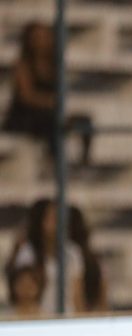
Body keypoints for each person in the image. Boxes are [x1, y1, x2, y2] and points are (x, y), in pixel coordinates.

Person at [2, 22, 92, 166]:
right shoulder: (22, 65)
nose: (42, 41)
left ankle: (85, 161)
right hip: (24, 118)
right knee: (51, 123)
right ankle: (54, 162)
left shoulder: (53, 66)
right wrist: (50, 101)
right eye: (37, 37)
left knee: (84, 120)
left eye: (44, 36)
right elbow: (26, 96)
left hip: (47, 115)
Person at [4, 199, 105, 314]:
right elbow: (22, 294)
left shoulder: (72, 252)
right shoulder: (28, 253)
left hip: (67, 317)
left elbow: (77, 294)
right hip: (40, 318)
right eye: (51, 218)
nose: (57, 223)